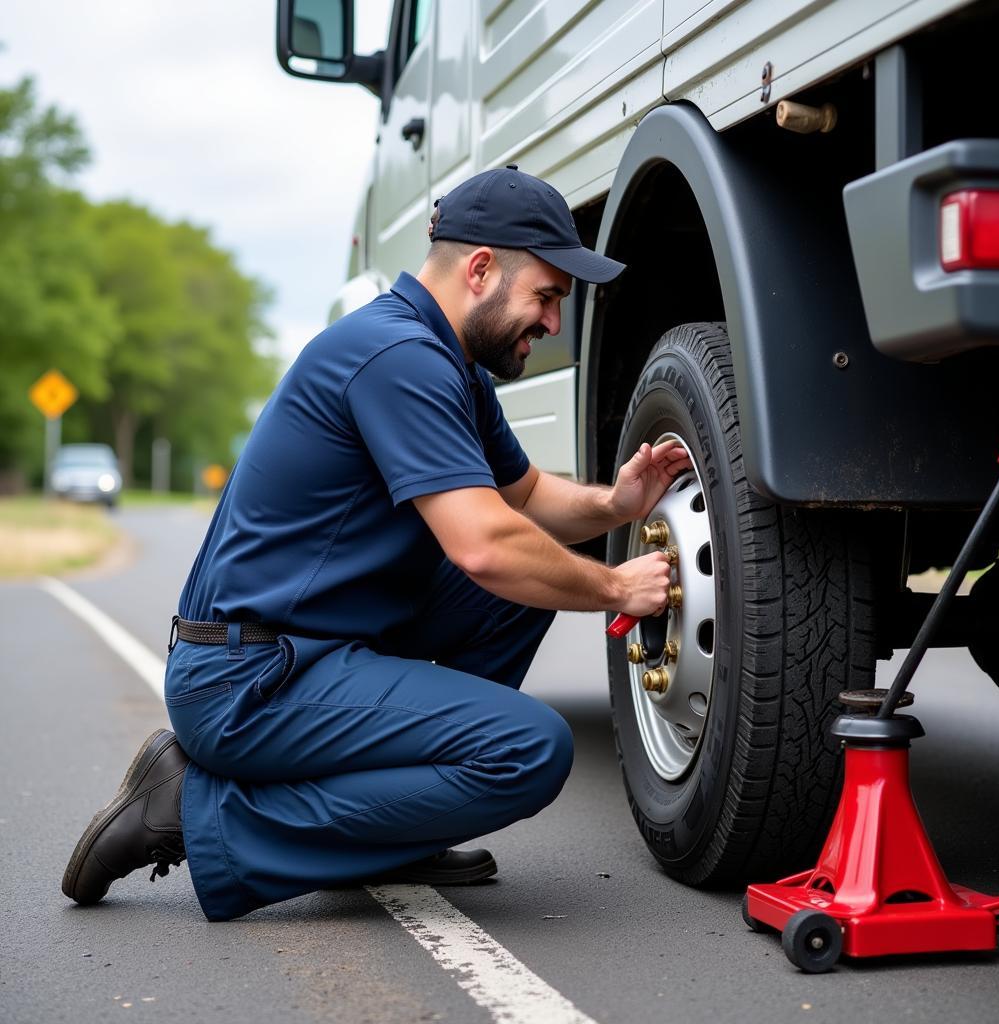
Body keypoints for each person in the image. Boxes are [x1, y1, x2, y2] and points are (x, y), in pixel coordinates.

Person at [61, 166, 690, 921]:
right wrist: (619, 588)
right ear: (481, 269)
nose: (553, 322)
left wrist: (616, 504)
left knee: (532, 585)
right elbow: (485, 547)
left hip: (307, 649)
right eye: (547, 297)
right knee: (530, 750)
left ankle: (396, 825)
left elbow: (524, 500)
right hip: (247, 679)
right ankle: (193, 811)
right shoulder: (399, 359)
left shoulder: (448, 364)